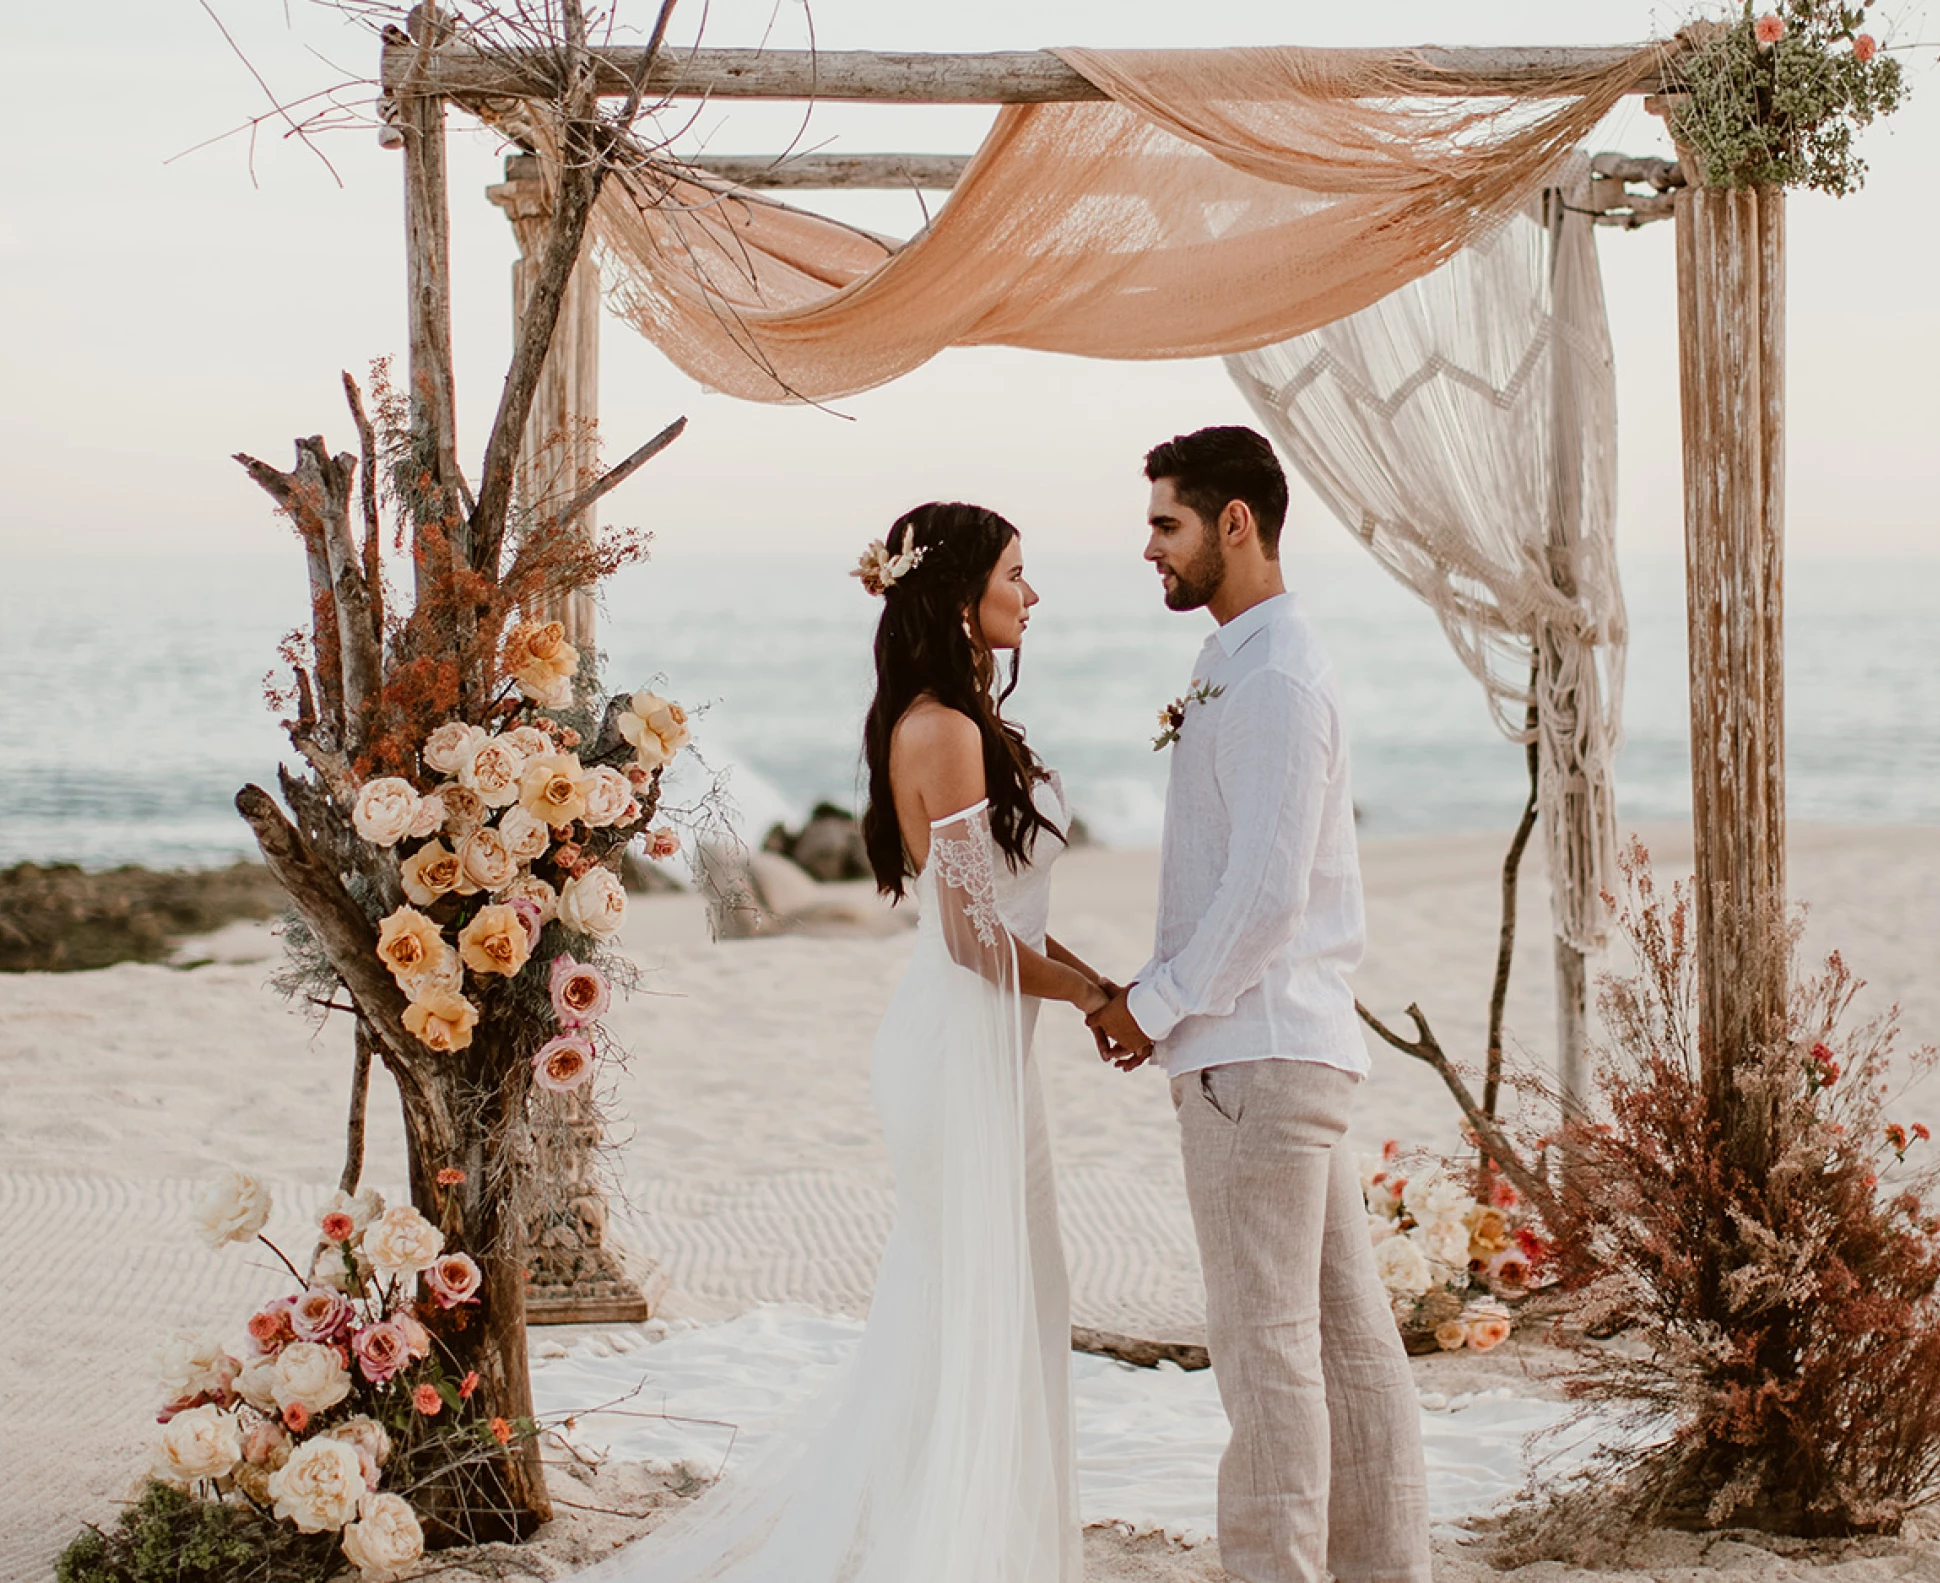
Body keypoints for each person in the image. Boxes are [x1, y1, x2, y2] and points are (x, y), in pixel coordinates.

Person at [583, 501, 1102, 1583]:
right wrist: (1099, 999)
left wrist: (1087, 983)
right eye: (1017, 571)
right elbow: (972, 939)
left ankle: (986, 1536)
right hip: (956, 1042)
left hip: (988, 1046)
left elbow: (1005, 912)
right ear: (962, 595)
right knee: (973, 1302)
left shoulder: (965, 721)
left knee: (1006, 1296)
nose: (1032, 592)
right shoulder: (943, 729)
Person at [1088, 427, 1432, 1583]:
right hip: (1278, 1045)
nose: (1149, 547)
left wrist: (1161, 1001)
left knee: (1265, 1354)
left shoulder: (1276, 670)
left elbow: (1267, 888)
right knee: (1343, 1344)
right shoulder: (1243, 655)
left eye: (1166, 523)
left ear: (1237, 522)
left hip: (1256, 1051)